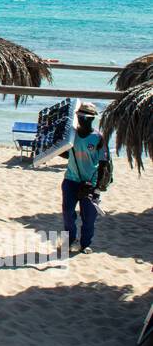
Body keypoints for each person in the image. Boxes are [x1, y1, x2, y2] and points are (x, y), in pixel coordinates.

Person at [60, 102, 107, 254]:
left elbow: (104, 164)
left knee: (89, 218)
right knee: (67, 213)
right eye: (79, 117)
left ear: (92, 119)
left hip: (90, 183)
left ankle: (85, 243)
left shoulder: (98, 138)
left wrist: (97, 187)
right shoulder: (71, 135)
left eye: (85, 118)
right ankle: (70, 241)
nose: (81, 120)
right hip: (70, 180)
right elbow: (66, 153)